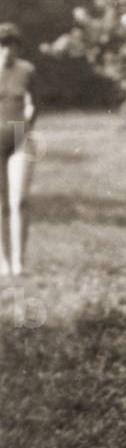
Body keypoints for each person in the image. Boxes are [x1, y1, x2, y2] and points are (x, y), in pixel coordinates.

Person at [0, 22, 37, 277]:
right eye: (2, 45)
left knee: (20, 200)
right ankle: (3, 261)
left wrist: (29, 118)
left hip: (20, 138)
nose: (6, 50)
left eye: (11, 44)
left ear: (18, 47)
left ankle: (19, 261)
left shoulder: (27, 70)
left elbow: (35, 101)